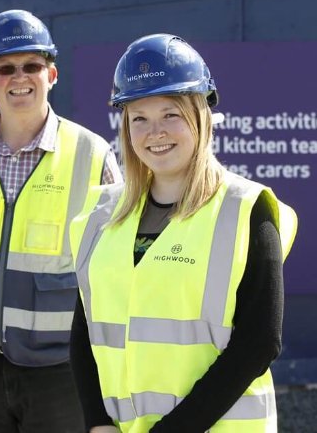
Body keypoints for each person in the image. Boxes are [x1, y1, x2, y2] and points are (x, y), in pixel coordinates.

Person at [68, 33, 298, 432]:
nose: (155, 132)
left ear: (200, 117)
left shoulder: (246, 208)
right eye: (139, 118)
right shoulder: (100, 214)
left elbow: (260, 342)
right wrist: (97, 421)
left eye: (170, 114)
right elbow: (85, 328)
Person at [0, 9, 122, 432]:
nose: (20, 77)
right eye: (6, 67)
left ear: (51, 74)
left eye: (32, 65)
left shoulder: (92, 155)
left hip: (60, 368)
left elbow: (114, 263)